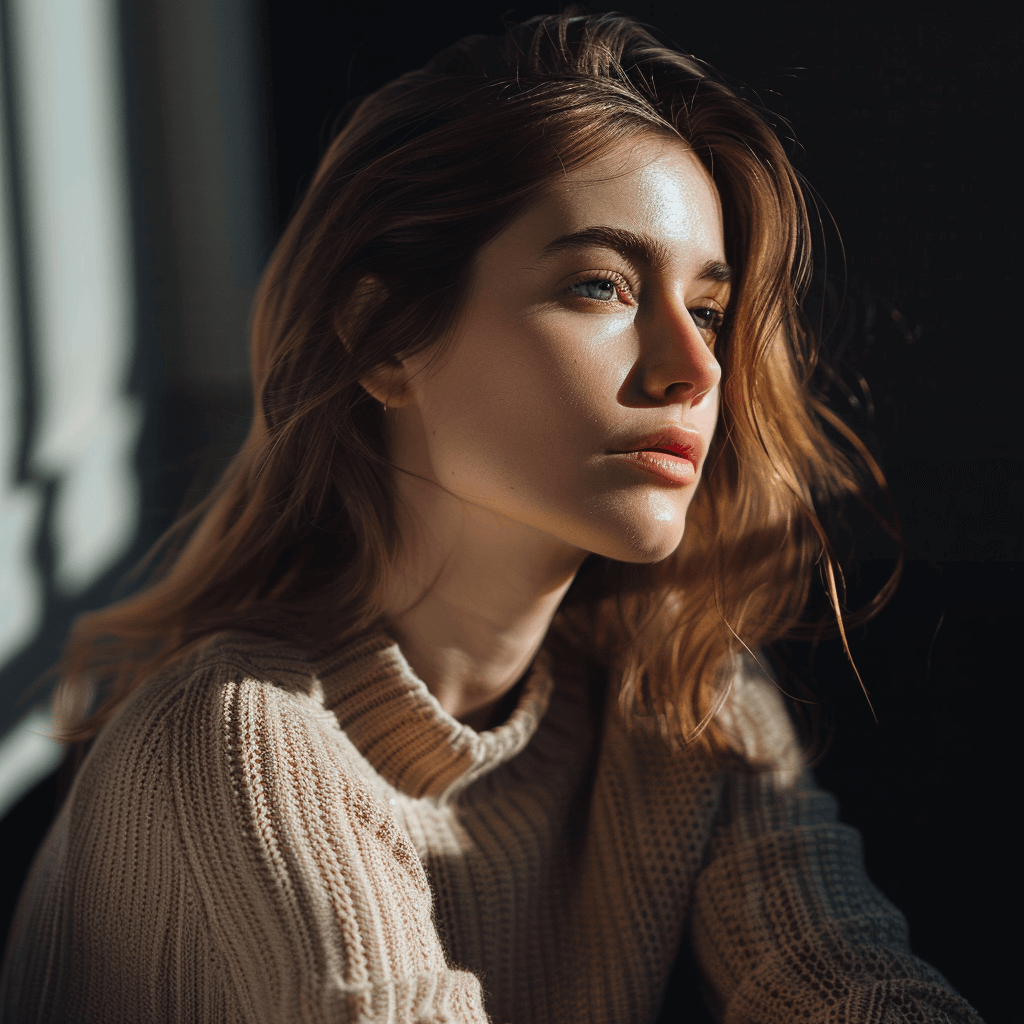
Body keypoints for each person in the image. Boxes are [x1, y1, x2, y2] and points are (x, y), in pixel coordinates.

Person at [0, 11, 984, 1023]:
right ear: (383, 336)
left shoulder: (680, 691)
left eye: (707, 311)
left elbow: (840, 975)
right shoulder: (241, 736)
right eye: (600, 285)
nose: (693, 369)